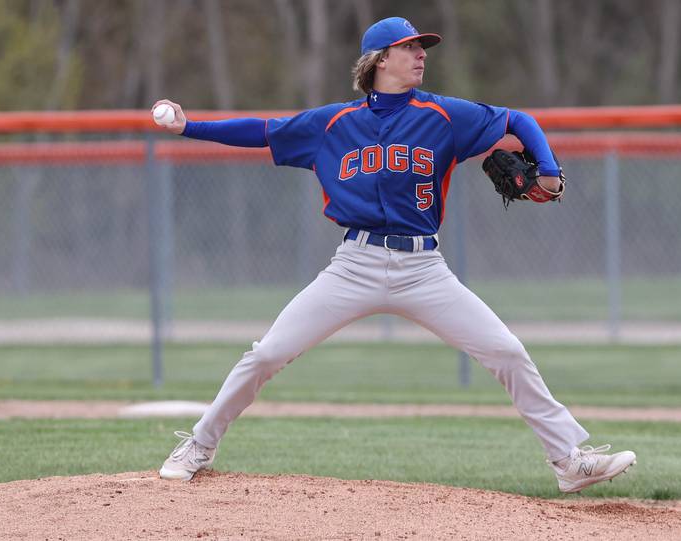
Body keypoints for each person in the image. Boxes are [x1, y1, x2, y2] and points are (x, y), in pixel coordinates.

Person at [152, 16, 636, 494]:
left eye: (422, 48)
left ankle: (568, 461)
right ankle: (199, 444)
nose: (422, 54)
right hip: (354, 265)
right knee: (268, 354)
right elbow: (262, 131)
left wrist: (548, 169)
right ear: (381, 60)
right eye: (410, 47)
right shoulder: (334, 124)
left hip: (424, 269)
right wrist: (189, 126)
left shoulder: (445, 115)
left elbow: (518, 121)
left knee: (507, 351)